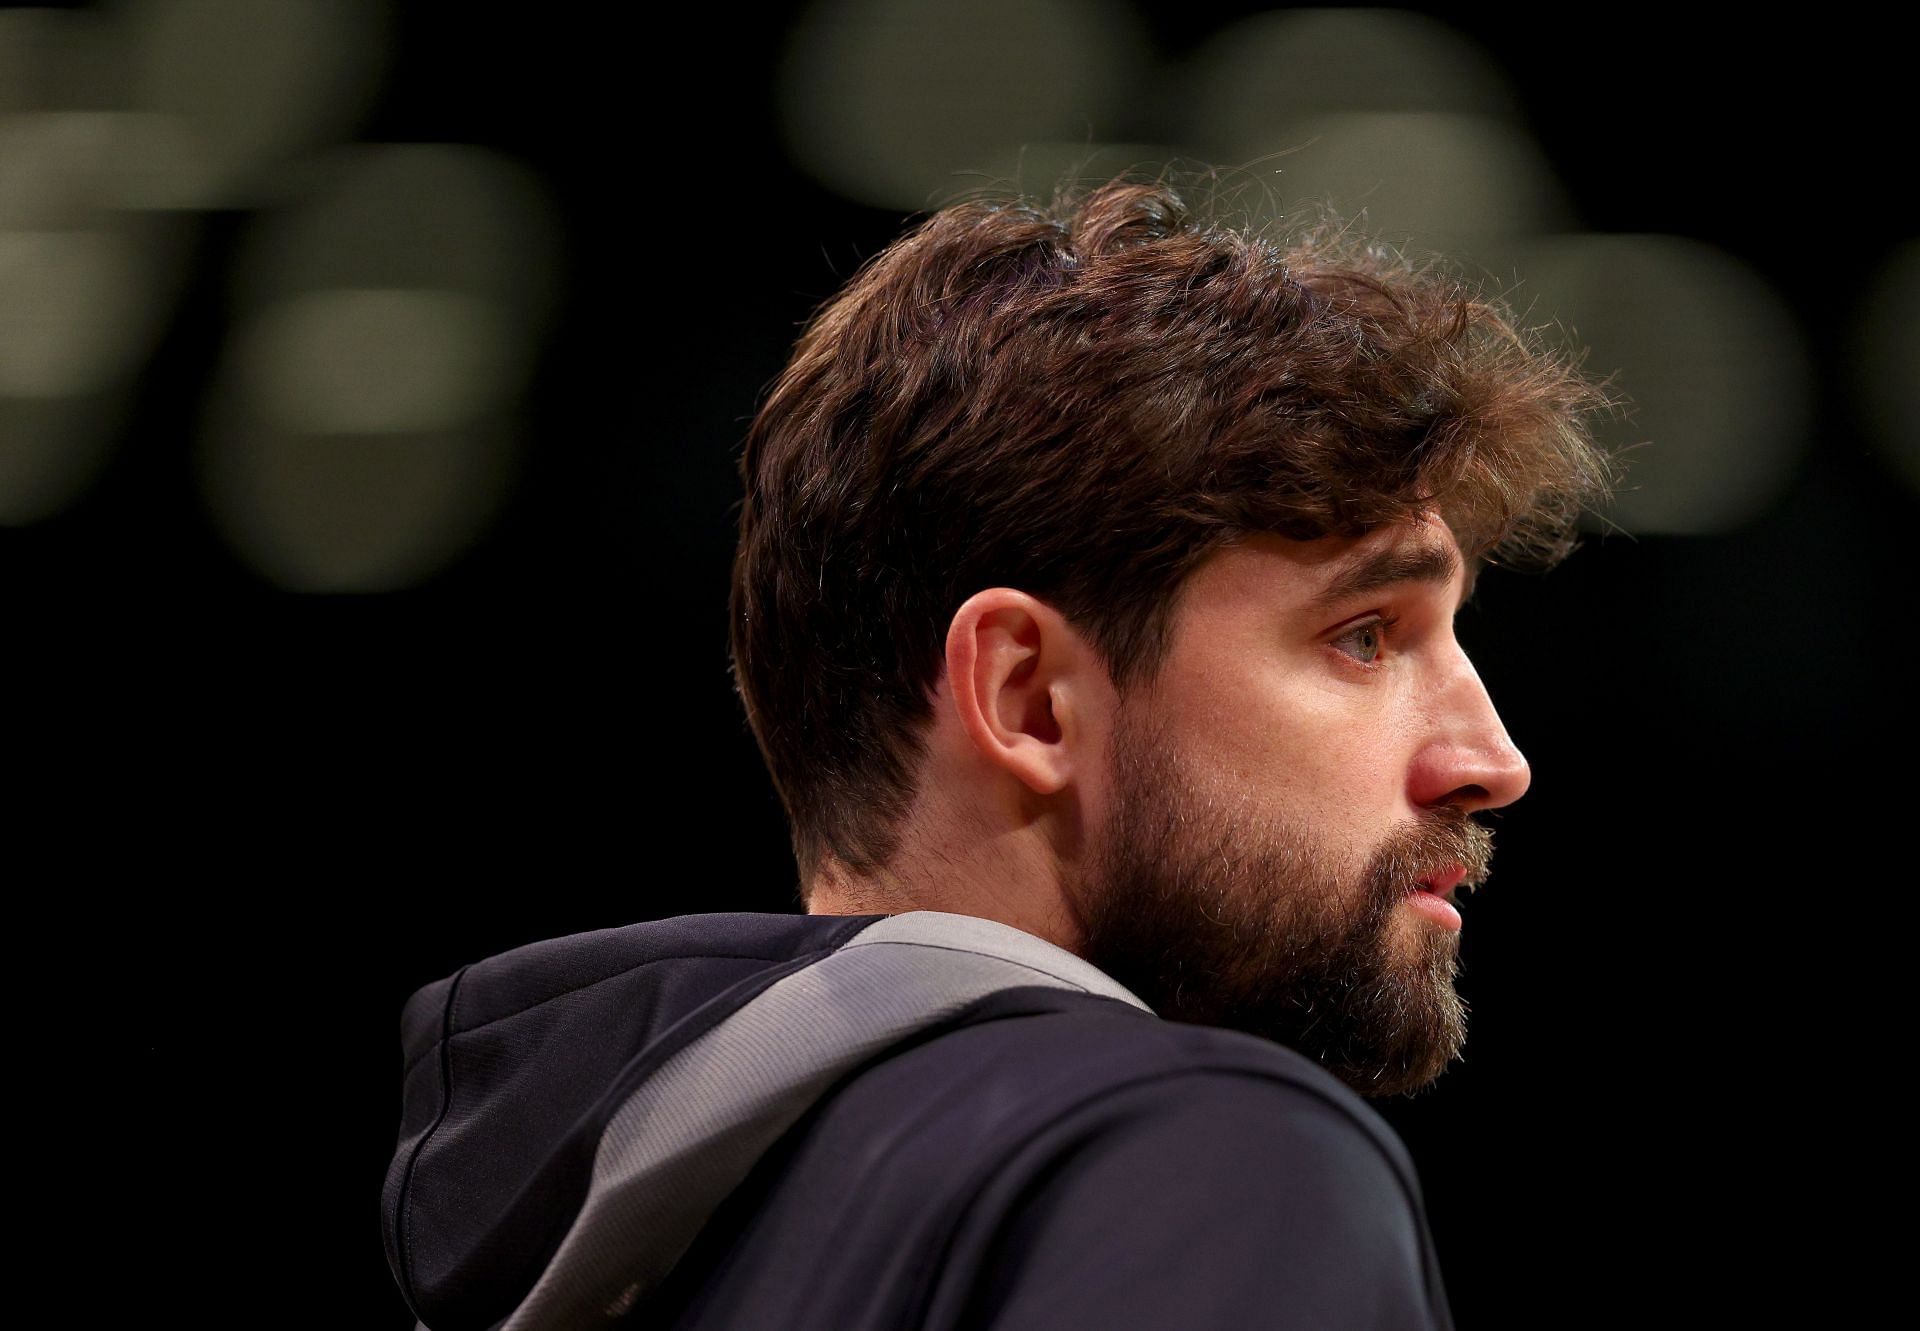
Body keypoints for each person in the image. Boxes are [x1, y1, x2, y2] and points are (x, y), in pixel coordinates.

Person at [381, 177, 1613, 1330]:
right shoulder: (1197, 1156)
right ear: (1027, 698)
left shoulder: (621, 1245)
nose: (1491, 757)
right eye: (1362, 635)